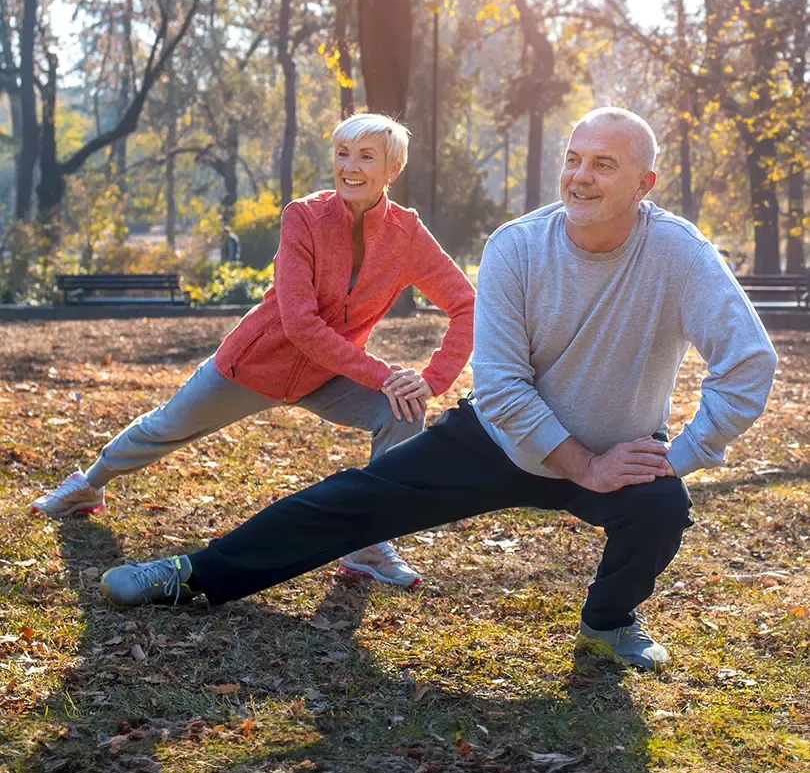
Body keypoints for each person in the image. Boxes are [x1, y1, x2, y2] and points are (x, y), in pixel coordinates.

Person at [100, 107, 777, 670]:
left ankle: (608, 619)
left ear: (644, 182)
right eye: (574, 158)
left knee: (662, 509)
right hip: (499, 439)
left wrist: (677, 456)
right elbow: (505, 387)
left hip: (617, 448)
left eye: (603, 164)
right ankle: (193, 574)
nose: (580, 175)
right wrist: (584, 465)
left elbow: (748, 362)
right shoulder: (518, 247)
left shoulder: (679, 253)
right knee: (350, 501)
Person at [33, 113, 475, 588]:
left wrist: (430, 380)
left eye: (366, 157)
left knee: (403, 410)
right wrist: (382, 372)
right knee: (166, 426)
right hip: (255, 365)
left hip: (328, 375)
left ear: (392, 170)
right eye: (342, 153)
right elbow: (301, 324)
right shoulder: (303, 217)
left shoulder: (406, 235)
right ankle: (88, 484)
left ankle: (367, 542)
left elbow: (467, 304)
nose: (350, 166)